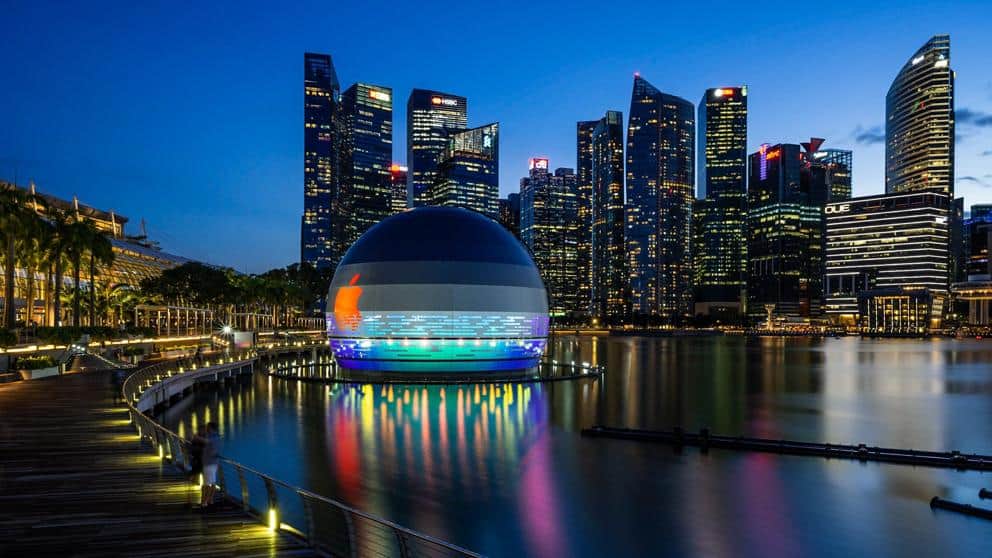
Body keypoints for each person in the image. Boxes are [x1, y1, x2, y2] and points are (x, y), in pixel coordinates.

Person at [194, 422, 222, 509]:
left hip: (209, 463)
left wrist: (196, 437)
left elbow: (207, 442)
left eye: (207, 428)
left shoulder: (212, 437)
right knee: (212, 483)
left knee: (207, 484)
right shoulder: (217, 436)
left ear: (210, 428)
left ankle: (204, 502)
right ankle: (210, 500)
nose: (206, 429)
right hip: (214, 462)